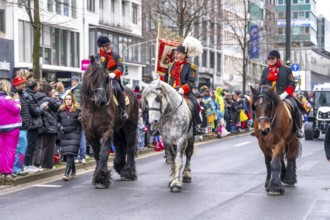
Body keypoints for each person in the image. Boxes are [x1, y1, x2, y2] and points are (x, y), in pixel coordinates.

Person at [259, 50, 303, 138]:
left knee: (295, 107)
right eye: (269, 59)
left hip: (284, 96)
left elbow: (292, 83)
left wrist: (285, 94)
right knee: (258, 107)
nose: (270, 60)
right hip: (269, 97)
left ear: (278, 59)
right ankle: (256, 127)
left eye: (273, 58)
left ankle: (298, 129)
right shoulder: (265, 70)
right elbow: (262, 84)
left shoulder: (286, 69)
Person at [163, 45, 204, 135]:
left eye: (178, 53)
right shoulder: (170, 66)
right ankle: (158, 126)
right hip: (171, 91)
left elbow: (191, 81)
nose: (176, 55)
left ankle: (197, 126)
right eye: (175, 53)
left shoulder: (191, 67)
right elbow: (166, 79)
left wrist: (182, 89)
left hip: (184, 91)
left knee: (195, 103)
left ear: (184, 55)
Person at [93, 35, 128, 120]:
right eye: (106, 46)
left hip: (112, 79)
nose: (109, 47)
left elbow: (120, 67)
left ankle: (123, 111)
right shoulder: (96, 57)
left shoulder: (116, 55)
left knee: (118, 90)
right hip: (100, 79)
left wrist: (114, 74)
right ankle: (84, 111)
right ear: (101, 47)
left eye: (109, 45)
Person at [34, 81, 60, 170]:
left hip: (38, 125)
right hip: (50, 126)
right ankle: (47, 165)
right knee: (49, 147)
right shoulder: (49, 100)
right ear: (49, 91)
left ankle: (36, 164)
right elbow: (59, 108)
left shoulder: (34, 98)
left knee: (38, 146)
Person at [24, 80, 48, 173]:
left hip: (31, 123)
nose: (39, 87)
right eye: (38, 86)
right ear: (34, 87)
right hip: (32, 124)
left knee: (31, 145)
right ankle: (28, 165)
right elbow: (35, 111)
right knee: (31, 145)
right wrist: (42, 107)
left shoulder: (29, 95)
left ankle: (29, 164)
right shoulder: (29, 96)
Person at [57, 94, 81, 181]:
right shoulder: (61, 110)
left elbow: (82, 122)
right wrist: (60, 127)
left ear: (72, 100)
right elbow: (57, 121)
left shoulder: (78, 110)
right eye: (66, 99)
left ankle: (66, 173)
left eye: (69, 99)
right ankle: (73, 170)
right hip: (64, 134)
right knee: (68, 153)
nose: (67, 101)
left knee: (70, 152)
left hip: (74, 133)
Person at [0, 79, 22, 177]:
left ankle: (1, 170)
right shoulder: (7, 98)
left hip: (1, 127)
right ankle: (8, 171)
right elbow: (17, 110)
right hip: (12, 127)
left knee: (1, 150)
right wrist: (17, 100)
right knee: (10, 150)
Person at [11, 75, 31, 177]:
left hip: (23, 126)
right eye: (22, 84)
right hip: (20, 126)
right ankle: (16, 168)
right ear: (17, 85)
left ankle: (18, 167)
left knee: (22, 148)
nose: (24, 85)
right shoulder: (14, 95)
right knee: (20, 148)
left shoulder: (21, 94)